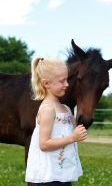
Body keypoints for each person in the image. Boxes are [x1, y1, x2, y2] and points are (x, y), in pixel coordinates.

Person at [25, 57, 87, 186]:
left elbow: (68, 131)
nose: (67, 84)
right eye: (62, 81)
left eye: (67, 79)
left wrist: (78, 132)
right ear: (46, 83)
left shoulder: (66, 108)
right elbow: (44, 144)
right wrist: (72, 137)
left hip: (62, 174)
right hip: (49, 177)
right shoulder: (48, 109)